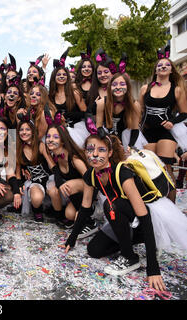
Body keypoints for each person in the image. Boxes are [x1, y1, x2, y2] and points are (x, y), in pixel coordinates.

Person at [64, 130, 187, 290]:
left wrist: (153, 268)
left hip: (146, 217)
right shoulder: (91, 175)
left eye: (100, 150)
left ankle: (130, 257)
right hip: (126, 219)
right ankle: (134, 240)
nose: (94, 154)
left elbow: (144, 216)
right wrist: (72, 239)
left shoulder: (122, 173)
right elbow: (85, 208)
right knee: (94, 249)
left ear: (109, 153)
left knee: (111, 205)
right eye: (90, 149)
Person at [139, 45, 187, 203]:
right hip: (147, 133)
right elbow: (139, 112)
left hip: (166, 134)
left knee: (166, 169)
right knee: (150, 172)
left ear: (171, 70)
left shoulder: (177, 90)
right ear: (156, 70)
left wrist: (172, 122)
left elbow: (185, 113)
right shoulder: (145, 88)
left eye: (166, 64)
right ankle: (157, 207)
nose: (163, 67)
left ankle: (172, 207)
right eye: (160, 65)